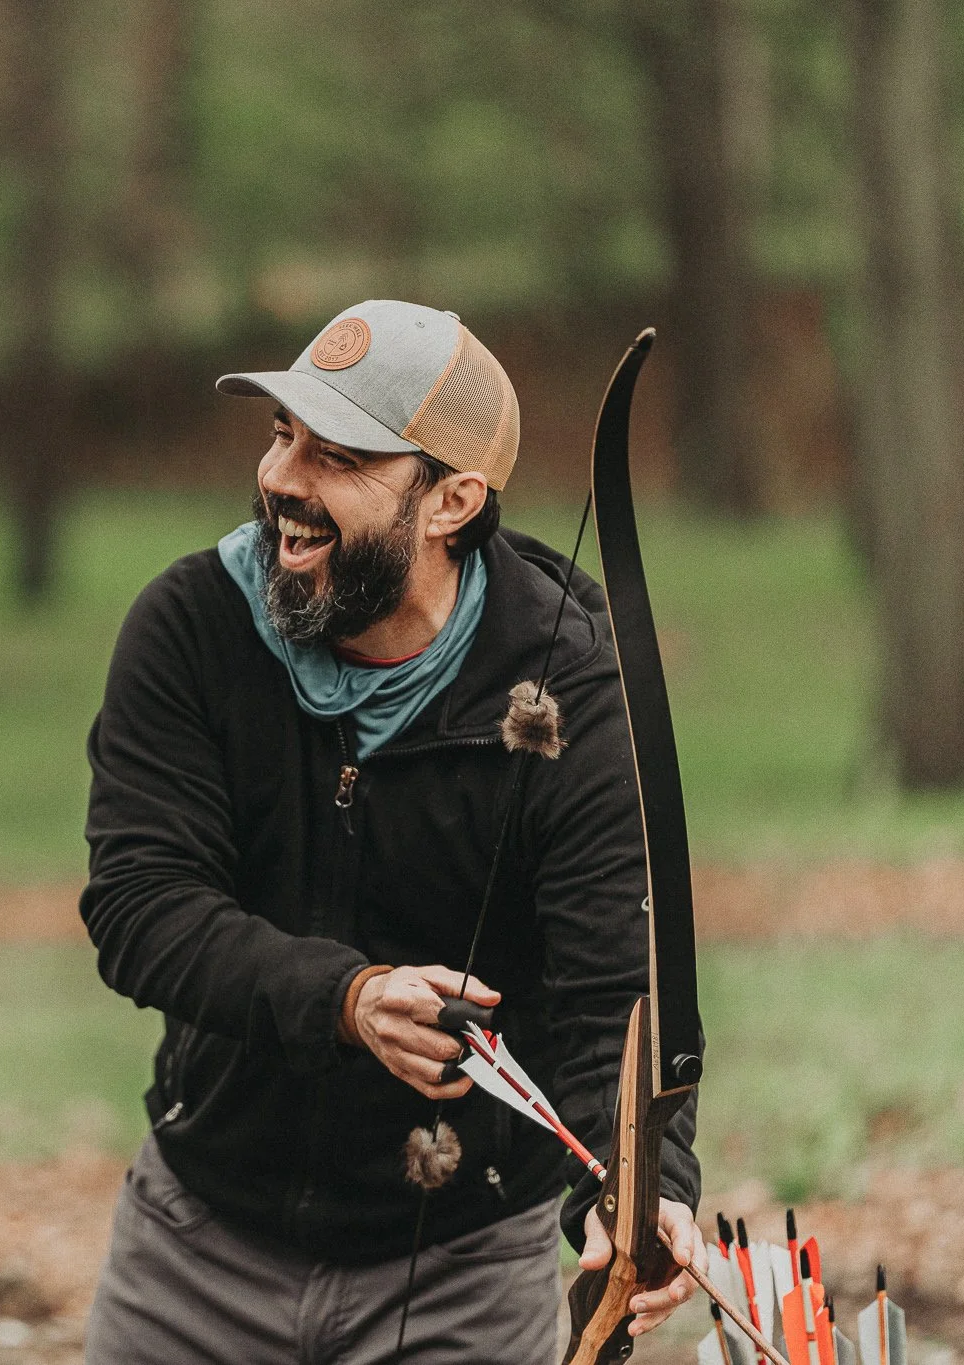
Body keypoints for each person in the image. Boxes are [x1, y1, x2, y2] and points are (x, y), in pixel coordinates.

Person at [79, 300, 706, 1362]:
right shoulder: (191, 627)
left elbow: (611, 988)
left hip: (463, 1263)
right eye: (282, 435)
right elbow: (140, 904)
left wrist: (637, 1191)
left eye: (338, 455)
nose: (282, 477)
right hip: (199, 1240)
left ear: (451, 501)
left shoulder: (566, 691)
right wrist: (347, 999)